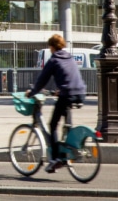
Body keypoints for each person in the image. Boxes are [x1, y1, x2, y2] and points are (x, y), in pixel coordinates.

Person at [27, 33, 87, 173]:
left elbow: (43, 79)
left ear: (52, 47)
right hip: (79, 93)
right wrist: (59, 90)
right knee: (68, 125)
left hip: (67, 94)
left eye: (50, 47)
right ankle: (66, 154)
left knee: (53, 125)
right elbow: (70, 76)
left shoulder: (54, 60)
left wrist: (32, 92)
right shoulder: (69, 57)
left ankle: (55, 159)